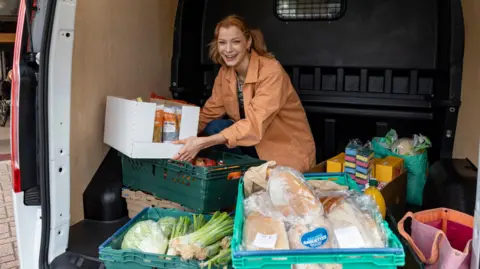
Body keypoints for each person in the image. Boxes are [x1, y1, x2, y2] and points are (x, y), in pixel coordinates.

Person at [173, 15, 316, 172]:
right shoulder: (225, 73)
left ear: (248, 42)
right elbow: (210, 113)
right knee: (215, 127)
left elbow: (254, 125)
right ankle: (241, 173)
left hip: (282, 150)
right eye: (222, 43)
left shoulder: (271, 71)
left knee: (216, 136)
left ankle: (250, 172)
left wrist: (203, 142)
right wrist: (177, 138)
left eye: (235, 42)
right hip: (251, 144)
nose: (228, 50)